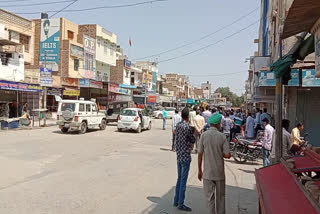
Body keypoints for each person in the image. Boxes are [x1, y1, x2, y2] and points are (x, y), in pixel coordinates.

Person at [198, 113, 231, 214]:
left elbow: (200, 154)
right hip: (219, 173)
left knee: (209, 199)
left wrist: (200, 170)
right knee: (220, 198)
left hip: (207, 173)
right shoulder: (222, 137)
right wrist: (220, 152)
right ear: (218, 124)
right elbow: (227, 155)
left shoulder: (203, 135)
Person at [174, 108, 195, 212]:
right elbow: (192, 139)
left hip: (179, 155)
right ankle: (181, 204)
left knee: (179, 178)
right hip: (185, 156)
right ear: (188, 117)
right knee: (183, 180)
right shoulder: (187, 127)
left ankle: (176, 200)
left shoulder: (178, 125)